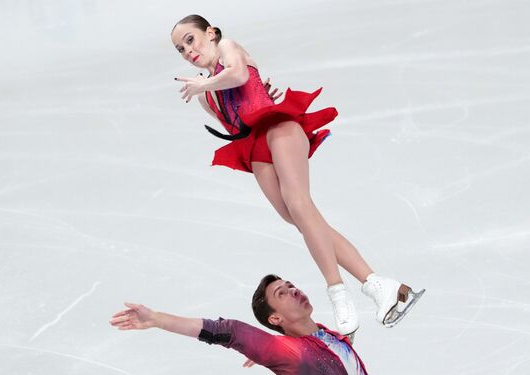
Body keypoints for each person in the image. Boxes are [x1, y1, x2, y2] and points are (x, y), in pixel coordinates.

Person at [170, 15, 424, 335]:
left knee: (299, 204)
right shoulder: (205, 96)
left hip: (280, 128)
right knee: (299, 217)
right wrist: (244, 95)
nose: (187, 51)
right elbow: (236, 125)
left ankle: (339, 294)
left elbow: (235, 74)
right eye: (180, 49)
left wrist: (212, 84)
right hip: (255, 147)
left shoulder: (228, 49)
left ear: (210, 33)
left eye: (190, 40)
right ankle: (379, 285)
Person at [110, 274, 369, 375]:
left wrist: (262, 350)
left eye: (290, 285)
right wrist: (157, 318)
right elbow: (230, 331)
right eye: (281, 293)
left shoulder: (328, 335)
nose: (292, 290)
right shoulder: (290, 352)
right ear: (275, 319)